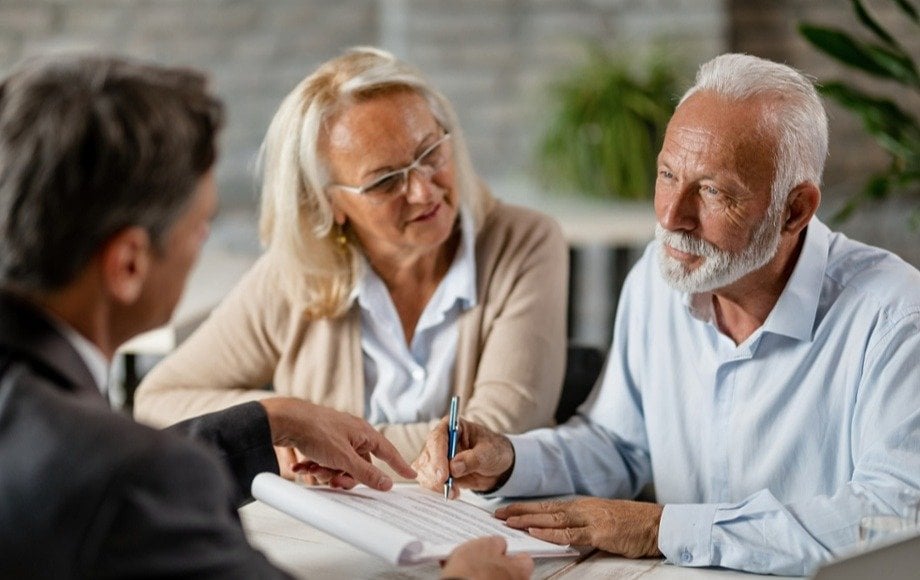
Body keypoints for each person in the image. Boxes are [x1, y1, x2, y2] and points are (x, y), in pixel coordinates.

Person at [0, 53, 530, 580]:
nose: (204, 243)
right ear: (129, 265)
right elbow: (127, 475)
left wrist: (273, 421)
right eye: (199, 227)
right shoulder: (132, 481)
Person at [413, 53, 920, 576]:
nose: (672, 217)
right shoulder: (656, 282)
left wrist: (661, 529)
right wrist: (510, 460)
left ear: (794, 210)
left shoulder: (896, 317)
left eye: (713, 191)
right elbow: (619, 445)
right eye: (668, 174)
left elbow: (893, 519)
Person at [133, 46, 568, 478]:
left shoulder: (525, 242)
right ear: (329, 203)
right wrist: (281, 420)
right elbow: (158, 400)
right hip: (331, 536)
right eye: (385, 180)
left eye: (431, 153)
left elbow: (496, 439)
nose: (423, 191)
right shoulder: (296, 273)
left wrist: (323, 441)